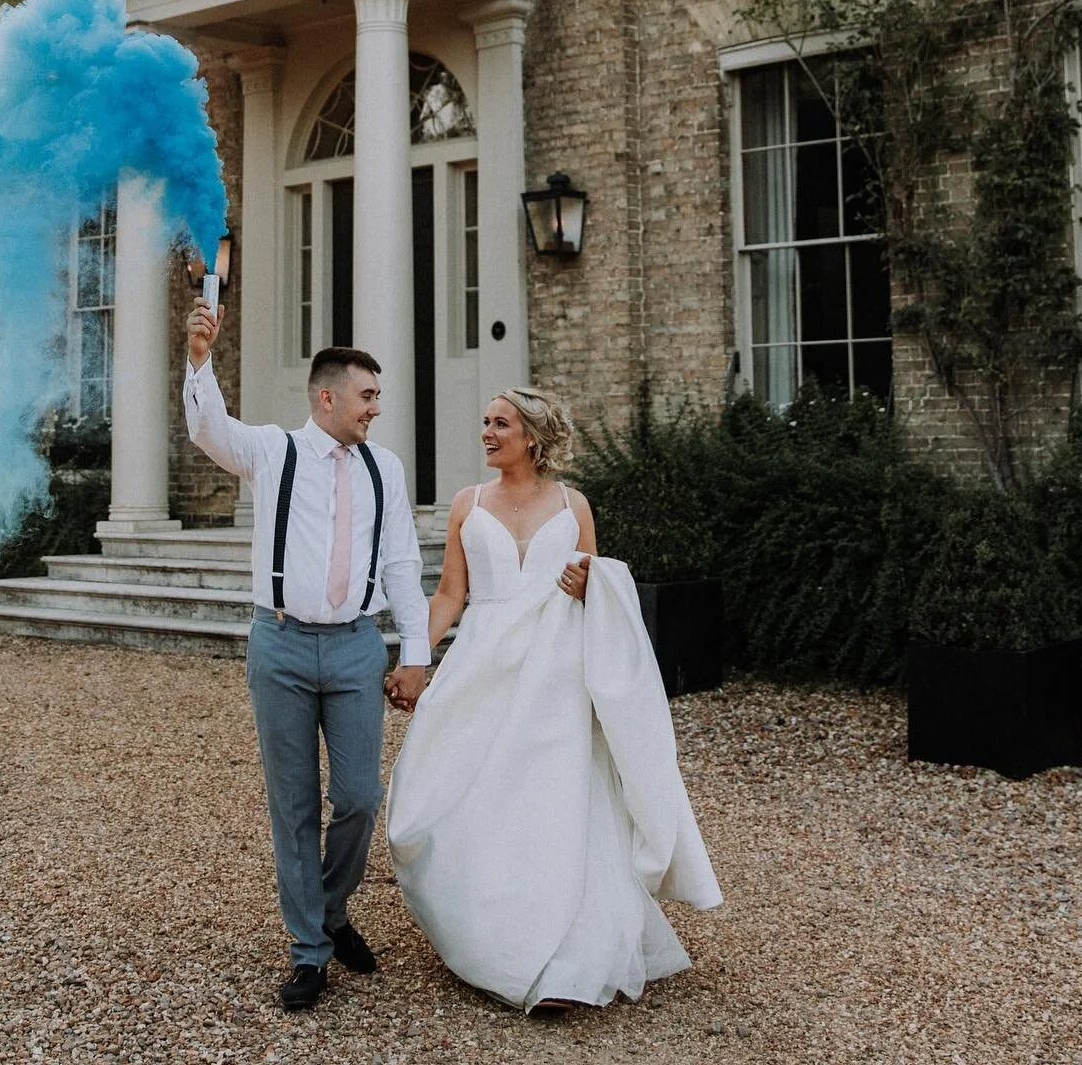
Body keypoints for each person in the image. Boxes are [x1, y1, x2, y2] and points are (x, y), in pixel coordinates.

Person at [385, 386, 721, 1013]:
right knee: (460, 792)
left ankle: (565, 958)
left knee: (551, 801)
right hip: (482, 666)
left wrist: (590, 579)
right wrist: (413, 656)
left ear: (532, 438)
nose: (487, 433)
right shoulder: (467, 504)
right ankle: (487, 940)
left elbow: (600, 593)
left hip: (555, 672)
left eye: (501, 424)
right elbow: (450, 596)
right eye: (484, 422)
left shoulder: (573, 505)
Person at [183, 297, 430, 1012]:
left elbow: (402, 566)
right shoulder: (272, 450)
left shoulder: (386, 467)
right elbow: (208, 430)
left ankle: (330, 906)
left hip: (356, 647)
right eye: (367, 395)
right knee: (292, 807)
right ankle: (310, 949)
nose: (375, 408)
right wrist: (201, 359)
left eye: (377, 396)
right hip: (282, 644)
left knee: (357, 797)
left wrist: (414, 653)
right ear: (327, 397)